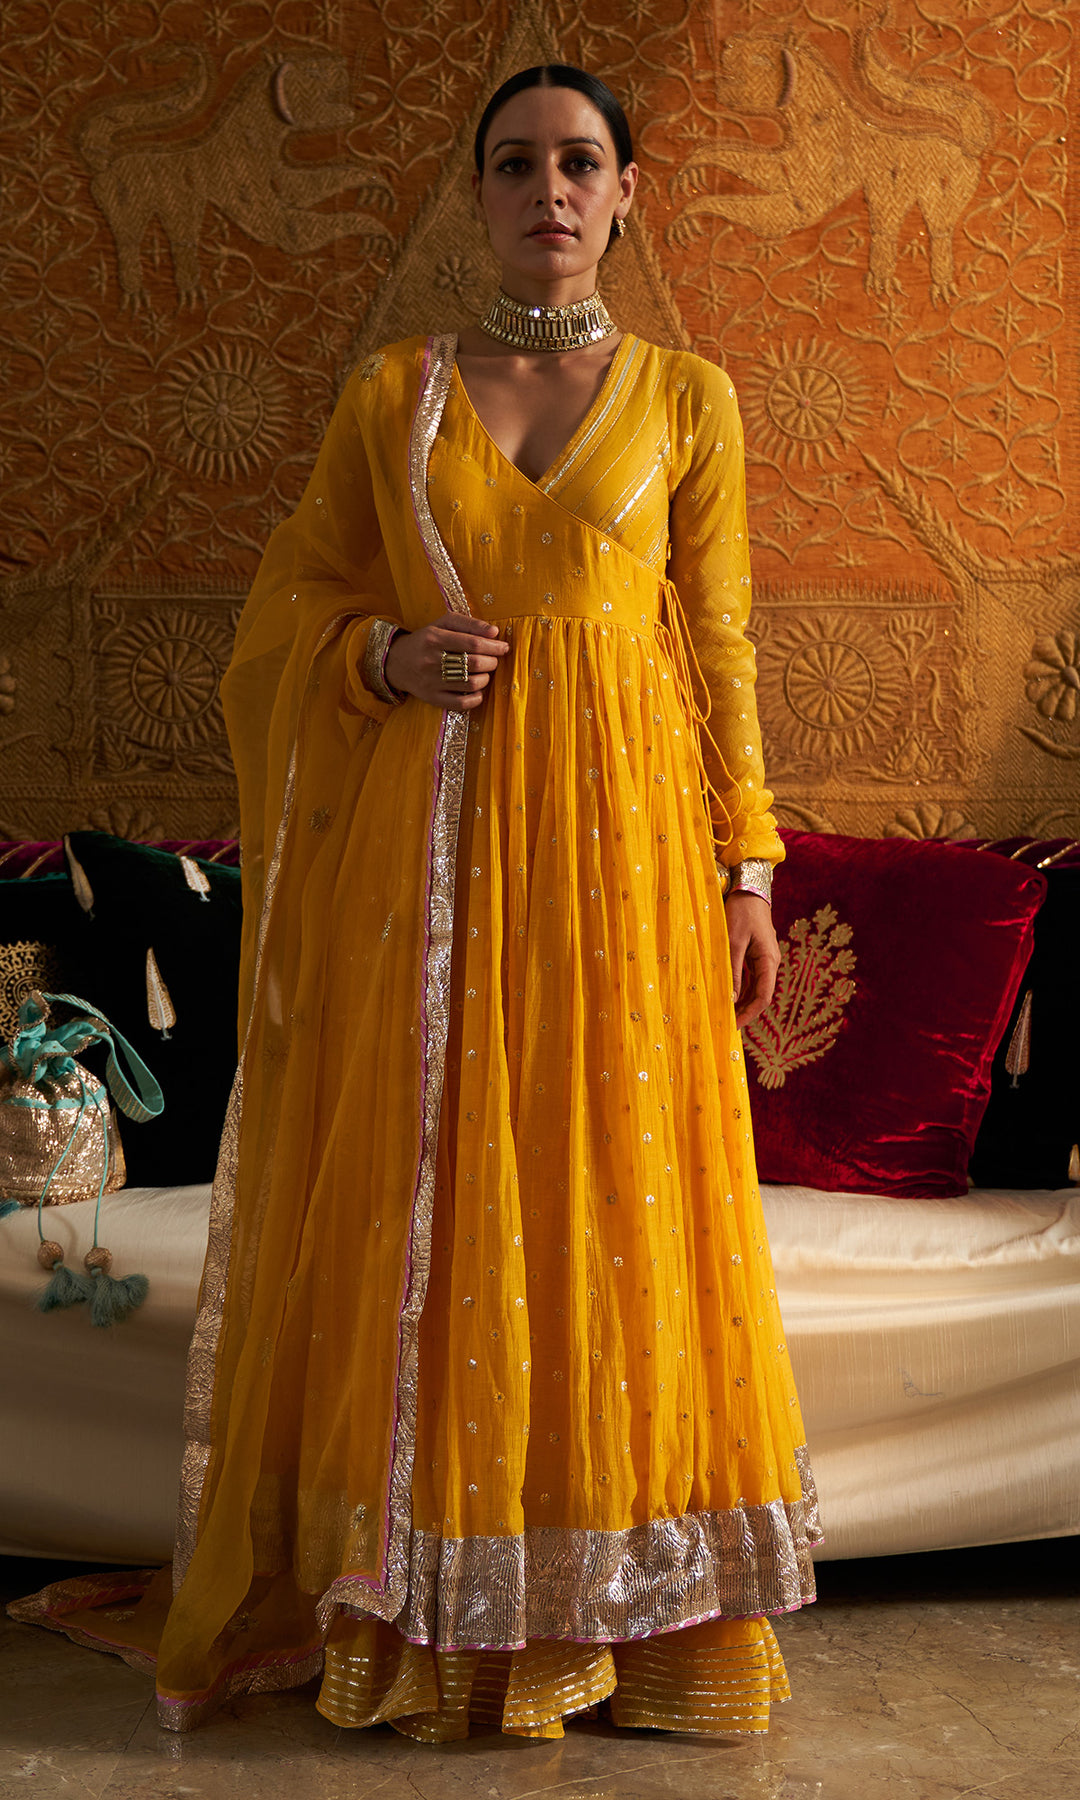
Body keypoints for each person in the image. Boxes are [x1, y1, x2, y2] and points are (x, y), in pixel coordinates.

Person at [11, 63, 821, 1739]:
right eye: (516, 163)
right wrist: (379, 655)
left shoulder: (689, 397)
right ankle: (433, 1620)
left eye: (580, 162)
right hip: (432, 862)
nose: (550, 189)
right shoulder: (399, 394)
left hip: (624, 861)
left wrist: (747, 870)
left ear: (627, 192)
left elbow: (724, 643)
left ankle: (633, 1622)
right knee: (441, 1193)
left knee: (612, 1187)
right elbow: (291, 606)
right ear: (479, 195)